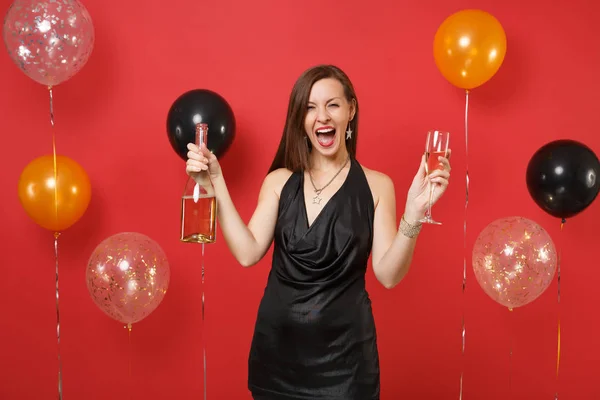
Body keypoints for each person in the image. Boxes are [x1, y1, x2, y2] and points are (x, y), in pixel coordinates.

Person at [185, 64, 451, 400]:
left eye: (333, 105)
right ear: (300, 118)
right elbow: (247, 252)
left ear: (351, 111)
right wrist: (216, 182)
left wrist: (414, 214)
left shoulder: (377, 185)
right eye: (310, 107)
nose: (322, 116)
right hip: (277, 357)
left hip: (347, 364)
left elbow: (388, 275)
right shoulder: (280, 181)